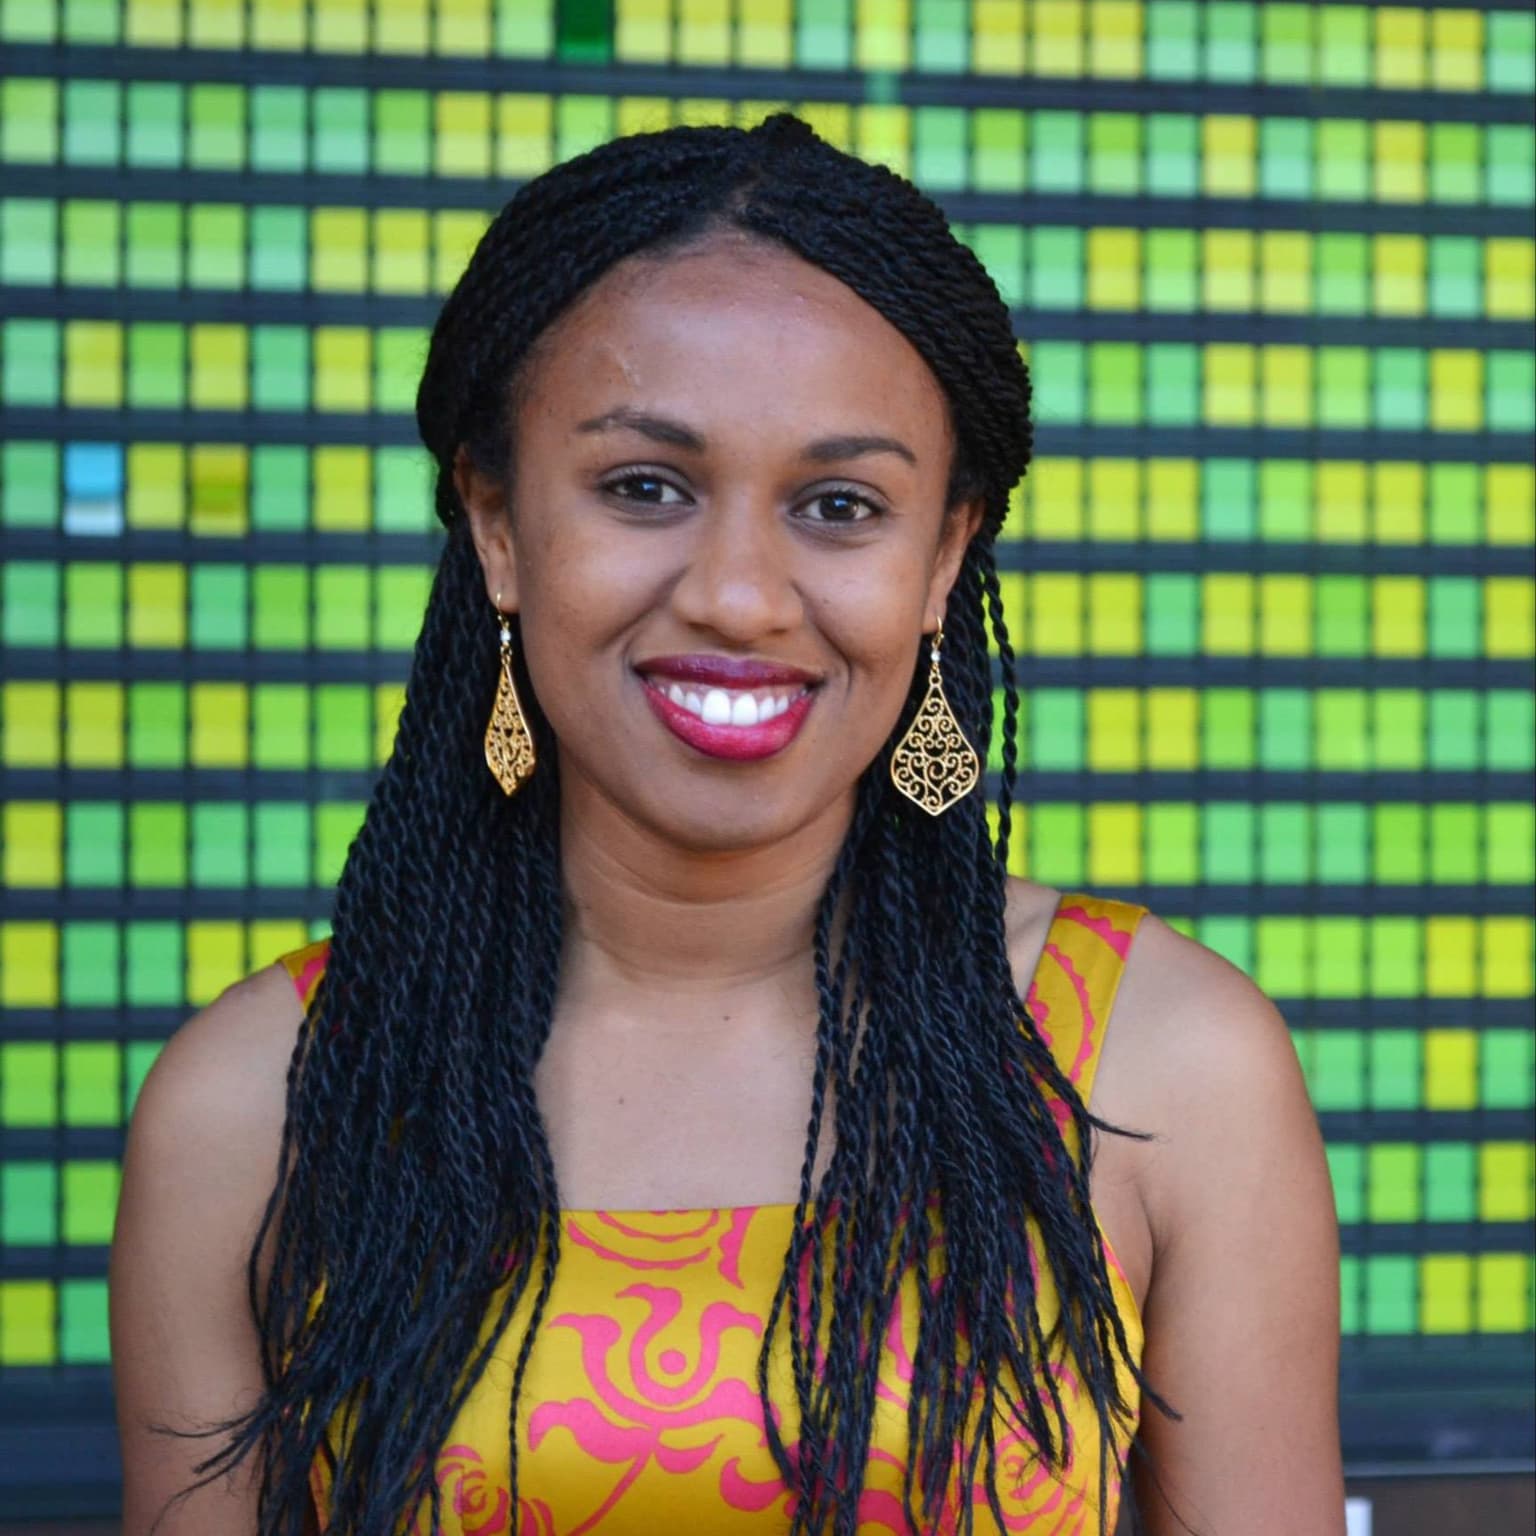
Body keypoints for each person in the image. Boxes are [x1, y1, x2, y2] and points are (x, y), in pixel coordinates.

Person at [110, 114, 1344, 1536]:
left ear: (943, 557)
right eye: (645, 488)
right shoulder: (259, 1103)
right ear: (496, 523)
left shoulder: (1161, 1064)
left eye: (840, 505)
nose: (740, 596)